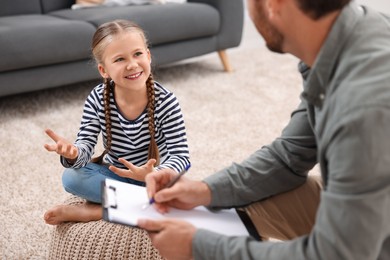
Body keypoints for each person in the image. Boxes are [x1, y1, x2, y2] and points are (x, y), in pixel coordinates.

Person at [137, 0, 390, 259]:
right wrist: (204, 191)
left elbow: (338, 254)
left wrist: (199, 247)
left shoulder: (363, 106)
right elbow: (289, 155)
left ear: (274, 4)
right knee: (243, 197)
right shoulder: (349, 36)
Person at [43, 20, 190, 225]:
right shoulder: (97, 98)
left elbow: (180, 156)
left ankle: (95, 212)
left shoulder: (166, 101)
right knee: (71, 177)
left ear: (148, 55)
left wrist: (154, 174)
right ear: (104, 70)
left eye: (138, 54)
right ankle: (139, 205)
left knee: (176, 191)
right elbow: (85, 146)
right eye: (120, 59)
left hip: (152, 181)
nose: (132, 64)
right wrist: (74, 153)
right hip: (113, 175)